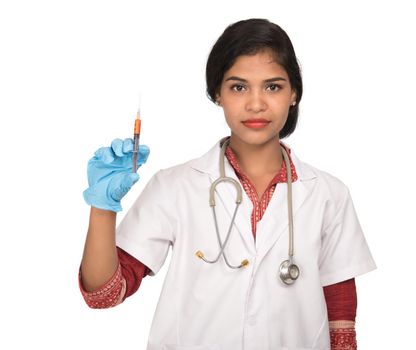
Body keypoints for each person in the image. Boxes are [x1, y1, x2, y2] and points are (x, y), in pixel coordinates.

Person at [79, 18, 376, 350]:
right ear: (217, 94)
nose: (256, 103)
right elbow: (103, 295)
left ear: (294, 93)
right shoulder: (175, 187)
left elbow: (341, 316)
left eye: (273, 86)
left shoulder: (328, 194)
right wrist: (102, 207)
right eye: (238, 87)